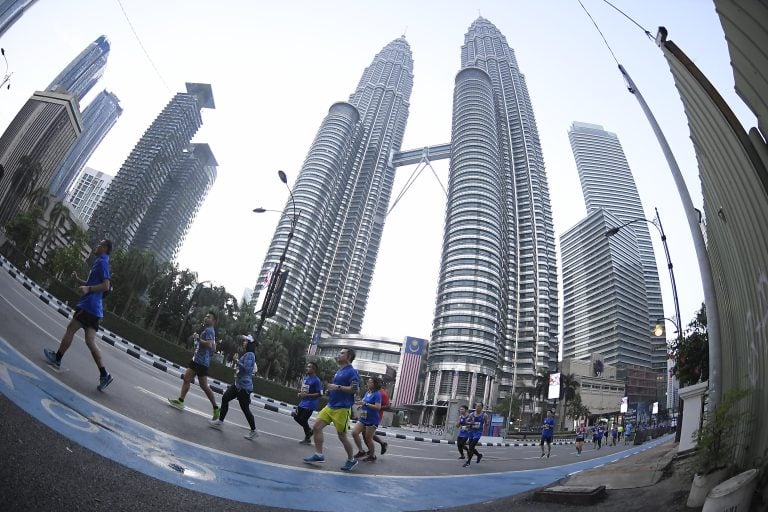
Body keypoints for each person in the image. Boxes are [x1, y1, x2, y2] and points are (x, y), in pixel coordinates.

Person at [44, 239, 114, 391]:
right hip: (95, 310)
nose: (97, 246)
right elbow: (91, 284)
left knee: (71, 329)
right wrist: (78, 281)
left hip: (88, 306)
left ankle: (57, 358)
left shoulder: (102, 262)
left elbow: (106, 286)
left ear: (105, 248)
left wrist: (88, 290)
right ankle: (104, 374)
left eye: (100, 244)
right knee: (90, 341)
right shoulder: (100, 262)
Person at [303, 348, 360, 472]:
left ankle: (351, 459)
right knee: (316, 427)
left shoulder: (352, 372)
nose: (338, 355)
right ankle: (319, 455)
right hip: (330, 406)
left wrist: (337, 387)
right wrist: (330, 390)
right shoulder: (339, 371)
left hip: (342, 408)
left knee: (342, 436)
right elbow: (337, 388)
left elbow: (355, 389)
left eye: (342, 353)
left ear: (349, 356)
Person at [167, 312, 220, 420]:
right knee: (186, 378)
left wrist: (198, 338)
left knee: (204, 386)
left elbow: (209, 344)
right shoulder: (209, 330)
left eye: (209, 317)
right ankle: (180, 400)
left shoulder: (210, 330)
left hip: (201, 363)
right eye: (205, 316)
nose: (206, 318)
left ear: (213, 321)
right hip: (196, 360)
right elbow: (214, 348)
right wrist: (198, 341)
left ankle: (216, 407)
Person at [209, 334, 258, 439]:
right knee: (225, 398)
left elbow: (247, 369)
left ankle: (254, 431)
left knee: (245, 409)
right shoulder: (248, 354)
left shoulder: (250, 355)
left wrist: (237, 361)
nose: (244, 342)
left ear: (250, 344)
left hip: (244, 387)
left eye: (246, 341)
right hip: (238, 385)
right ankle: (220, 422)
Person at [351, 377, 382, 462]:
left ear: (375, 384)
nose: (368, 383)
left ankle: (372, 456)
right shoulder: (367, 392)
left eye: (370, 382)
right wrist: (360, 405)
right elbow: (364, 401)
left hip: (372, 420)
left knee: (368, 438)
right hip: (363, 418)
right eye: (368, 381)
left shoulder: (377, 394)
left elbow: (378, 407)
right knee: (354, 433)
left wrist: (365, 404)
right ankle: (361, 451)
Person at [293, 361, 323, 444]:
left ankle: (307, 437)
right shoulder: (306, 378)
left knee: (303, 419)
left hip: (310, 404)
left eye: (309, 367)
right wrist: (300, 393)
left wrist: (307, 395)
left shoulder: (317, 380)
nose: (307, 368)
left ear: (314, 370)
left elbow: (320, 394)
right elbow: (304, 391)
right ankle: (309, 431)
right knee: (296, 417)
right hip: (303, 403)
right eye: (307, 366)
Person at [463, 402, 488, 468]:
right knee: (471, 447)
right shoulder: (471, 414)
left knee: (471, 446)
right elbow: (466, 421)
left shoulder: (484, 415)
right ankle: (479, 455)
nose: (477, 407)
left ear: (482, 408)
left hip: (478, 432)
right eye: (476, 406)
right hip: (471, 432)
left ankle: (468, 462)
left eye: (479, 406)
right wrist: (470, 423)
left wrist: (485, 429)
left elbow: (486, 423)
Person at [372, 382, 391, 455]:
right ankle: (382, 444)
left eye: (372, 382)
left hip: (376, 416)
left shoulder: (383, 393)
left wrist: (377, 407)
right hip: (368, 415)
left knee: (368, 435)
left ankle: (371, 452)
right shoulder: (372, 391)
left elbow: (388, 406)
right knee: (367, 434)